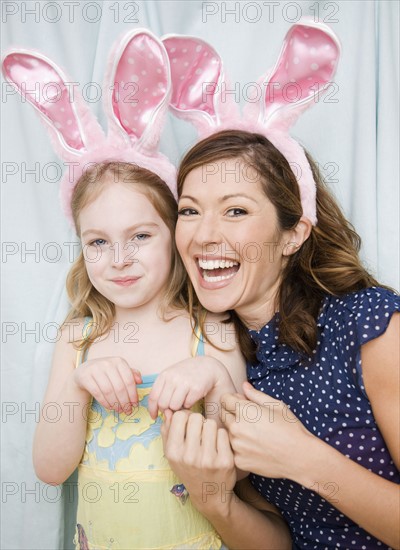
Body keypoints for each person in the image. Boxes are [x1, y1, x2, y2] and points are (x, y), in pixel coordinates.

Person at [160, 129, 400, 550]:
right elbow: (283, 542)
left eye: (235, 211)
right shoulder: (224, 355)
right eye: (189, 211)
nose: (203, 236)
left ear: (294, 234)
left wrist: (302, 458)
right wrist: (214, 500)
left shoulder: (370, 325)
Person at [32, 161, 246, 549]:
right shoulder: (77, 338)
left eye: (141, 236)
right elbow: (49, 470)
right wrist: (78, 385)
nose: (119, 259)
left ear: (175, 235)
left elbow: (242, 470)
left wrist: (214, 377)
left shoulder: (212, 331)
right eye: (98, 242)